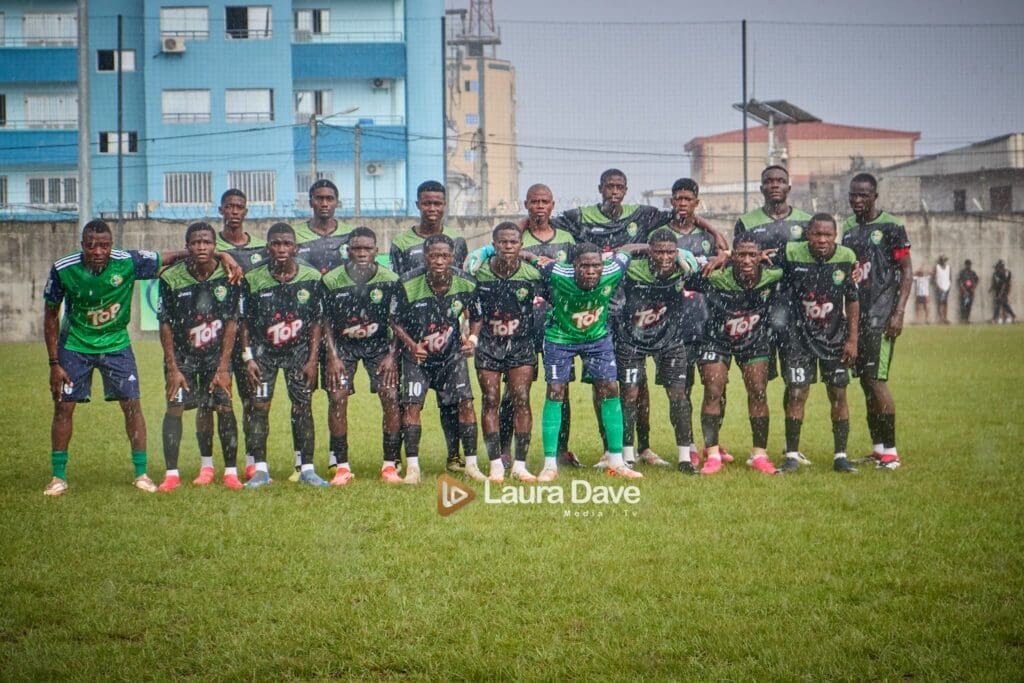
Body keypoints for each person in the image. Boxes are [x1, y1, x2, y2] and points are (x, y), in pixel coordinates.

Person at [42, 219, 239, 496]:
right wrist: (54, 363)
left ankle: (141, 474)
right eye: (91, 245)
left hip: (116, 344)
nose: (98, 251)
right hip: (75, 345)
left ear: (112, 245)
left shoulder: (127, 261)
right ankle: (58, 477)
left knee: (132, 406)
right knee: (64, 407)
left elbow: (174, 256)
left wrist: (222, 255)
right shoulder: (64, 268)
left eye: (104, 245)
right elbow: (50, 314)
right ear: (82, 245)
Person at [519, 242, 696, 482]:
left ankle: (616, 460)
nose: (591, 271)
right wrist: (486, 252)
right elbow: (530, 256)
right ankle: (550, 464)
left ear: (603, 265)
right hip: (560, 338)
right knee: (555, 391)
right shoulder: (557, 272)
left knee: (610, 388)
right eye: (585, 266)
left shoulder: (613, 269)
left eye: (596, 265)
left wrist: (673, 251)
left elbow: (628, 249)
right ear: (574, 266)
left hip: (596, 338)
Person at [238, 223, 327, 488]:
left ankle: (307, 469)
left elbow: (316, 322)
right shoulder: (253, 278)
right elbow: (244, 321)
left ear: (295, 247)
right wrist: (248, 357)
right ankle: (260, 471)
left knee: (302, 407)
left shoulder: (311, 277)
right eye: (276, 243)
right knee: (259, 407)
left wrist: (312, 360)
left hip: (298, 353)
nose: (281, 248)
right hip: (263, 354)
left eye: (287, 243)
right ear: (268, 247)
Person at [390, 234, 484, 483]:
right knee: (412, 406)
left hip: (451, 356)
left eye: (444, 256)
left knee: (465, 403)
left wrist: (472, 339)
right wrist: (411, 345)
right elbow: (394, 320)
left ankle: (471, 465)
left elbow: (477, 316)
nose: (439, 261)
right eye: (434, 256)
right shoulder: (407, 283)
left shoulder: (467, 282)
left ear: (453, 257)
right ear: (425, 257)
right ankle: (413, 468)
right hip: (418, 358)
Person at [156, 222, 242, 491]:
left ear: (215, 246)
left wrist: (224, 367)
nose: (201, 247)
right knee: (175, 407)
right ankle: (172, 474)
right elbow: (165, 324)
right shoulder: (171, 278)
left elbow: (231, 322)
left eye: (206, 242)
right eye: (195, 242)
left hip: (216, 356)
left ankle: (230, 472)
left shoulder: (229, 276)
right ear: (187, 246)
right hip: (183, 356)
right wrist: (173, 368)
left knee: (222, 406)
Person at [390, 181, 469, 472]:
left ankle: (454, 456)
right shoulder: (401, 243)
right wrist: (403, 344)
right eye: (427, 203)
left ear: (444, 205)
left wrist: (463, 330)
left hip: (446, 336)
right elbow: (397, 291)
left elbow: (461, 286)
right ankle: (399, 457)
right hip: (411, 337)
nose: (432, 209)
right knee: (407, 399)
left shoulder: (457, 240)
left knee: (452, 401)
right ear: (418, 205)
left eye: (437, 203)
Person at [688, 235, 783, 476]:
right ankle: (712, 454)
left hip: (754, 341)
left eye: (752, 255)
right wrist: (718, 259)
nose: (747, 260)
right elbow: (685, 278)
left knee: (758, 392)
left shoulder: (774, 273)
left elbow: (798, 256)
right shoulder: (716, 275)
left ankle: (759, 455)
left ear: (761, 256)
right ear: (734, 257)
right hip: (716, 340)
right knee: (713, 391)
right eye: (741, 254)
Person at [774, 214, 860, 474]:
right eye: (817, 234)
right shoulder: (791, 253)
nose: (822, 240)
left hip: (834, 339)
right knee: (797, 393)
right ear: (808, 234)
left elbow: (852, 299)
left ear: (835, 236)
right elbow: (764, 264)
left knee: (838, 394)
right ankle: (791, 455)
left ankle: (841, 456)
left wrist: (852, 339)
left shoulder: (846, 257)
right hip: (798, 339)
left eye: (827, 235)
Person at [320, 227, 403, 485]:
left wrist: (391, 355)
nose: (362, 253)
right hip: (342, 346)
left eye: (367, 248)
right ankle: (342, 466)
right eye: (357, 248)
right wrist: (332, 356)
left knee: (390, 395)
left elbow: (397, 321)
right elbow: (325, 321)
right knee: (337, 398)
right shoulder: (332, 280)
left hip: (378, 346)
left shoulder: (390, 279)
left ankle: (390, 464)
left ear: (376, 251)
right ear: (348, 251)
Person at [503, 184, 578, 468]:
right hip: (521, 323)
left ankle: (561, 450)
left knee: (560, 388)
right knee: (514, 390)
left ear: (552, 205)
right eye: (534, 201)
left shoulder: (566, 239)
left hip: (557, 322)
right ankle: (505, 451)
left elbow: (575, 275)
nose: (539, 206)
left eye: (544, 201)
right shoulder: (515, 237)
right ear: (526, 204)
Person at [841, 173, 912, 469]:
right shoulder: (847, 228)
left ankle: (892, 453)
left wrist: (898, 312)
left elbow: (906, 271)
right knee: (865, 383)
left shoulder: (891, 226)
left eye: (863, 195)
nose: (857, 200)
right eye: (853, 195)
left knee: (876, 381)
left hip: (881, 317)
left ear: (875, 196)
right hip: (857, 316)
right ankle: (879, 448)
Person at [612, 228, 696, 473]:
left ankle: (685, 458)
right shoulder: (631, 268)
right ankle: (628, 456)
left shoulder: (685, 267)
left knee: (678, 396)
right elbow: (620, 252)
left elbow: (713, 261)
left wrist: (686, 256)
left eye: (670, 252)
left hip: (669, 341)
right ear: (650, 252)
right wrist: (642, 248)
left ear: (677, 252)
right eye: (659, 252)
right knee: (629, 395)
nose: (665, 257)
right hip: (632, 340)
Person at [664, 178, 732, 467]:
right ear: (671, 201)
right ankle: (688, 444)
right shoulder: (661, 234)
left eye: (687, 199)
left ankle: (711, 441)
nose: (682, 203)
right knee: (680, 390)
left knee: (716, 385)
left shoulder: (707, 238)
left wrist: (722, 252)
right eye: (678, 198)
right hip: (673, 325)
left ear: (696, 202)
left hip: (709, 322)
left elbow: (726, 257)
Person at [293, 179, 356, 479]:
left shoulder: (349, 237)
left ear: (337, 202)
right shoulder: (295, 237)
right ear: (310, 202)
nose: (324, 203)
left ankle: (335, 456)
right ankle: (301, 461)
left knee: (336, 395)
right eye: (319, 198)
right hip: (303, 329)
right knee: (301, 397)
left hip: (337, 329)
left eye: (330, 198)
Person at [473, 223, 545, 482]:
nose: (508, 246)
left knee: (521, 400)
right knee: (490, 399)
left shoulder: (532, 274)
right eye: (502, 242)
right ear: (494, 245)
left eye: (513, 242)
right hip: (488, 346)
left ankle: (520, 465)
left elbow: (549, 301)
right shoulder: (479, 272)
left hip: (521, 346)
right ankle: (495, 465)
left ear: (520, 245)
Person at [215, 189, 269, 481]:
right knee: (219, 402)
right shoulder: (210, 245)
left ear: (246, 211)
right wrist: (220, 253)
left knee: (252, 400)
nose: (234, 211)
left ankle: (252, 459)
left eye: (239, 207)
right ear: (221, 210)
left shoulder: (260, 249)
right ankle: (216, 465)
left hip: (252, 336)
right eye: (229, 206)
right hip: (218, 337)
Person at [933, 255, 951, 324]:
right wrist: (937, 286)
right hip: (939, 287)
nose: (943, 261)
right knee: (940, 303)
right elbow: (934, 277)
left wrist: (949, 285)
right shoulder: (937, 267)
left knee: (945, 303)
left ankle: (945, 318)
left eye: (944, 260)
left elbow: (950, 277)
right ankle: (941, 319)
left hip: (947, 287)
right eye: (942, 260)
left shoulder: (948, 267)